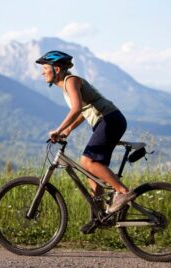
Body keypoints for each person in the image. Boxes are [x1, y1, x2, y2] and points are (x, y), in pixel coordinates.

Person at [35, 51, 136, 233]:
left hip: (109, 119)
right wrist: (68, 130)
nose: (42, 72)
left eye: (44, 68)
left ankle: (123, 193)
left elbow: (76, 109)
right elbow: (83, 110)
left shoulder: (71, 81)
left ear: (56, 69)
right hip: (106, 121)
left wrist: (58, 129)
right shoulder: (66, 85)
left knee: (87, 161)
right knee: (92, 174)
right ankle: (99, 217)